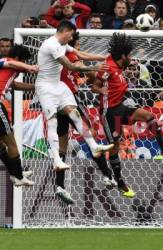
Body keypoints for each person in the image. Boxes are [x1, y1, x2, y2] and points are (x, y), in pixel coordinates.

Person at [91, 33, 163, 198]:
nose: (131, 58)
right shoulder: (108, 68)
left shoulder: (120, 67)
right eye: (130, 55)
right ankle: (120, 182)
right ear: (123, 56)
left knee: (149, 116)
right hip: (108, 112)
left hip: (120, 107)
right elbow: (94, 86)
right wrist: (101, 90)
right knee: (114, 146)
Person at [35, 20, 113, 173]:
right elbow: (70, 66)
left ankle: (94, 146)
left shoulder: (63, 43)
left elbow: (80, 54)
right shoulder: (52, 45)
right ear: (64, 31)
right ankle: (57, 160)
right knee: (52, 121)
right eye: (70, 35)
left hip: (58, 85)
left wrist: (102, 58)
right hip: (45, 87)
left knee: (75, 114)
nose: (71, 38)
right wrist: (94, 67)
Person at [55, 32, 116, 204]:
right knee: (90, 137)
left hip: (56, 103)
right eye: (79, 45)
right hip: (70, 100)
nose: (80, 48)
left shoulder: (58, 56)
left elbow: (84, 74)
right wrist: (98, 69)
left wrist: (89, 77)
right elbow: (80, 64)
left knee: (62, 144)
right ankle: (107, 175)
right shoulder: (70, 54)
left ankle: (59, 185)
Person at [0, 45, 38, 186]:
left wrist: (34, 87)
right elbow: (11, 63)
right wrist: (30, 67)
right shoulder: (8, 61)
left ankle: (16, 173)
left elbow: (14, 85)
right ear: (18, 58)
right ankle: (19, 176)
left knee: (2, 146)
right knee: (12, 143)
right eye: (24, 61)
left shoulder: (10, 71)